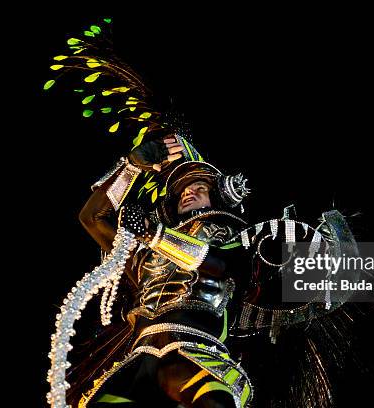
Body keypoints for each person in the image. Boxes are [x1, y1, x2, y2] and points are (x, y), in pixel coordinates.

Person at [74, 137, 253, 408]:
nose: (188, 193)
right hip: (140, 357)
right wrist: (131, 167)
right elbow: (92, 218)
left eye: (199, 187)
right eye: (182, 192)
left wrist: (153, 233)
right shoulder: (144, 258)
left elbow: (219, 265)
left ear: (218, 198)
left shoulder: (234, 241)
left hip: (196, 351)